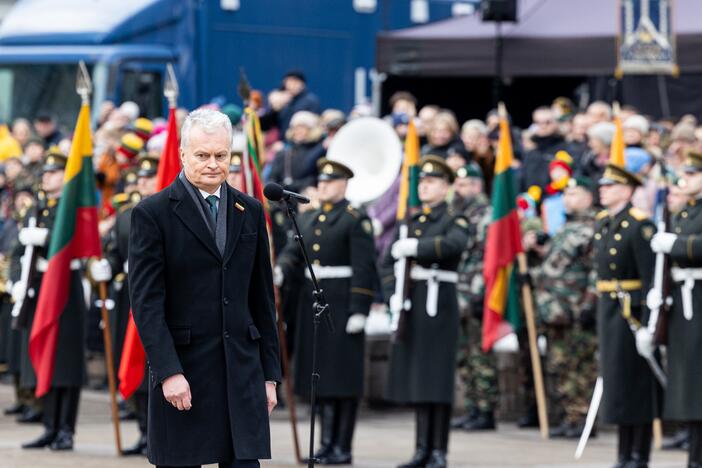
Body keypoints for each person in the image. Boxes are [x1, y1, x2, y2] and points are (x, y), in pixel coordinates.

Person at [128, 108, 281, 468]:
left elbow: (262, 300)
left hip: (240, 373)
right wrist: (168, 371)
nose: (213, 164)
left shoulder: (251, 210)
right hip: (185, 372)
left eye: (221, 155)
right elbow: (147, 303)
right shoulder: (153, 213)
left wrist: (269, 375)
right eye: (202, 155)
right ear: (183, 154)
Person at [276, 158, 377, 465]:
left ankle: (341, 446)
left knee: (342, 379)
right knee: (319, 377)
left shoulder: (354, 218)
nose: (323, 186)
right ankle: (324, 442)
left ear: (344, 184)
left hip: (342, 302)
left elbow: (364, 267)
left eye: (330, 182)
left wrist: (360, 308)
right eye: (321, 181)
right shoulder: (311, 218)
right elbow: (295, 252)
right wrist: (281, 269)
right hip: (312, 303)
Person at [383, 156, 469, 468]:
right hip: (412, 302)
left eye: (432, 181)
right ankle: (421, 449)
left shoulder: (453, 218)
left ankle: (438, 451)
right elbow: (387, 264)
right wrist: (392, 295)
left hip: (439, 303)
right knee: (419, 378)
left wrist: (417, 249)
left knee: (437, 379)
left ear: (446, 187)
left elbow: (455, 244)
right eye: (422, 181)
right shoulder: (410, 221)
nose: (425, 186)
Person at [90, 153, 160, 456]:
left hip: (159, 296)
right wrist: (105, 265)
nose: (142, 181)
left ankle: (158, 434)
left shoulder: (171, 212)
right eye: (140, 177)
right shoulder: (125, 216)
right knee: (131, 361)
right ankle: (144, 432)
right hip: (128, 297)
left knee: (154, 367)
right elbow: (118, 254)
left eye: (149, 177)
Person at [17, 151, 87, 451]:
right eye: (45, 172)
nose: (47, 177)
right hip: (43, 284)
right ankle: (49, 425)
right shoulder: (41, 206)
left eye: (54, 172)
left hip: (66, 286)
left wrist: (44, 238)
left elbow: (76, 239)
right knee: (45, 355)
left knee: (66, 362)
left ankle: (65, 429)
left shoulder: (71, 206)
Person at [594, 163, 657, 468]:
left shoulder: (639, 225)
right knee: (618, 382)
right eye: (602, 186)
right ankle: (623, 453)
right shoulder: (604, 222)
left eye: (609, 186)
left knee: (635, 384)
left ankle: (638, 454)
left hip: (632, 310)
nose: (602, 190)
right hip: (609, 307)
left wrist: (649, 325)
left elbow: (651, 279)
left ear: (627, 190)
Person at [528, 177, 598, 439]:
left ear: (588, 197)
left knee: (580, 367)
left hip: (576, 310)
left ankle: (582, 418)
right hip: (554, 310)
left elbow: (596, 270)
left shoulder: (593, 229)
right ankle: (570, 416)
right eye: (566, 194)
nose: (568, 199)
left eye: (574, 194)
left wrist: (590, 302)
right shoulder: (564, 229)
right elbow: (554, 268)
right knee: (561, 365)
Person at [647, 150, 702, 468]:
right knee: (689, 379)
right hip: (683, 301)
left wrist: (677, 246)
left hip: (698, 300)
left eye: (694, 174)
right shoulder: (684, 212)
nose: (686, 179)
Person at [450, 163, 498, 432]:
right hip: (458, 291)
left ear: (478, 186)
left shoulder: (487, 215)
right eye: (458, 184)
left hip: (478, 292)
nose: (461, 189)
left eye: (466, 184)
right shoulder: (458, 213)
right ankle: (472, 407)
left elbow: (487, 258)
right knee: (463, 355)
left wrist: (481, 292)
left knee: (481, 355)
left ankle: (486, 409)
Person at [260, 70, 321, 139]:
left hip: (304, 144)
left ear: (302, 84)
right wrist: (274, 109)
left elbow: (316, 127)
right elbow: (265, 126)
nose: (292, 85)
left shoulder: (311, 101)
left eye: (295, 81)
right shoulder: (281, 101)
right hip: (283, 144)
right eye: (289, 81)